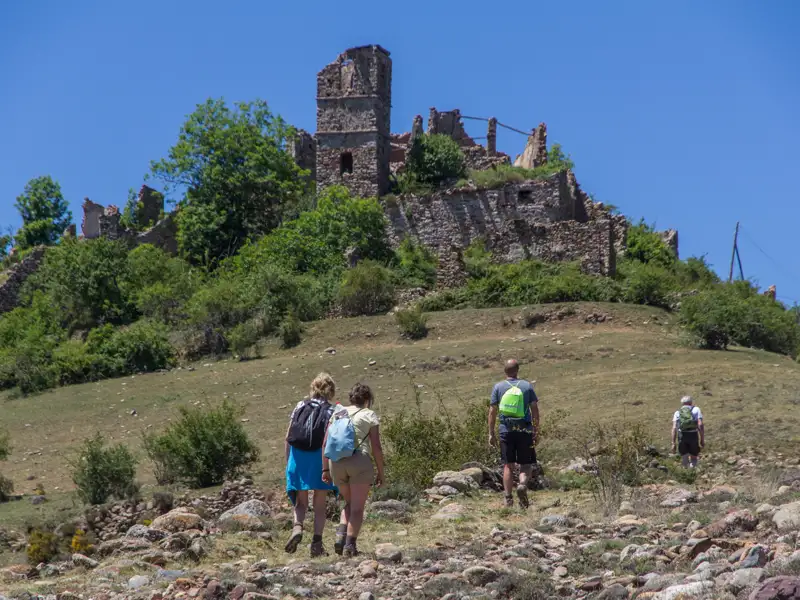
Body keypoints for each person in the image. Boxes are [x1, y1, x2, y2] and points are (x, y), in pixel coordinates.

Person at [322, 382, 385, 557]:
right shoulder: (369, 414)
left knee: (348, 503)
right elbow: (377, 447)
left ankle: (340, 536)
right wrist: (381, 472)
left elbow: (325, 444)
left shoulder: (338, 412)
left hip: (336, 463)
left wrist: (325, 470)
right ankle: (350, 546)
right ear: (367, 399)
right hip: (359, 461)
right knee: (357, 508)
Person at [284, 372, 338, 557]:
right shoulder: (332, 411)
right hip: (319, 457)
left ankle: (297, 528)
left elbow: (288, 436)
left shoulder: (300, 405)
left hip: (298, 456)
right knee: (320, 503)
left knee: (300, 501)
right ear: (331, 390)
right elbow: (332, 439)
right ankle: (317, 544)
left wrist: (288, 462)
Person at [488, 359, 539, 508]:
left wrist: (491, 433)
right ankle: (522, 484)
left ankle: (508, 498)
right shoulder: (526, 386)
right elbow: (535, 410)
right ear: (517, 370)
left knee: (508, 466)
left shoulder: (498, 387)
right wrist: (536, 430)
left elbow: (492, 411)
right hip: (524, 430)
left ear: (505, 371)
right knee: (526, 464)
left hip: (506, 430)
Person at [671, 395, 704, 468]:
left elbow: (674, 428)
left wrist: (673, 443)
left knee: (684, 457)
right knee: (694, 457)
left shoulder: (677, 412)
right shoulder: (696, 409)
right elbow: (700, 424)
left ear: (682, 403)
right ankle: (693, 473)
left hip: (682, 436)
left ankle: (686, 474)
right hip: (693, 435)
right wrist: (702, 439)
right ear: (691, 402)